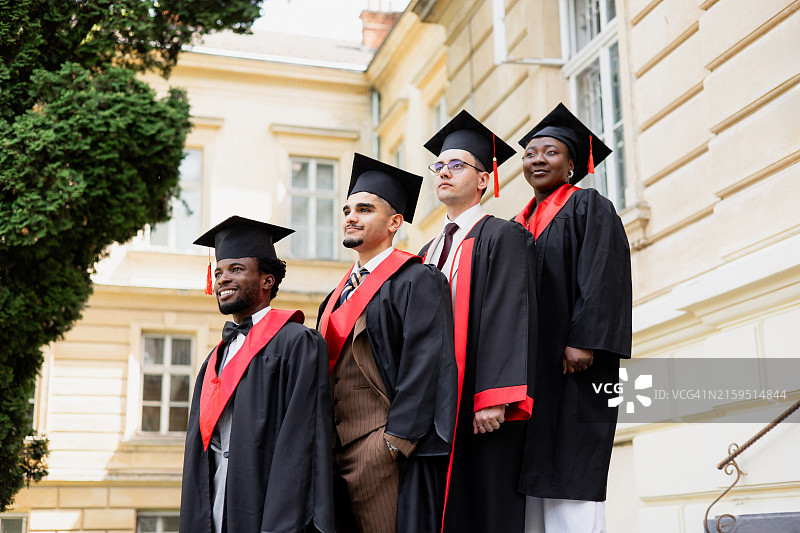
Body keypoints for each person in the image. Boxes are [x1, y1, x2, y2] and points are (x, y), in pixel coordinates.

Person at [317, 153, 458, 533]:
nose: (351, 217)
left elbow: (426, 363)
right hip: (332, 454)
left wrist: (395, 443)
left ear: (395, 222)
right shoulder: (334, 297)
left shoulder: (417, 279)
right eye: (348, 210)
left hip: (381, 450)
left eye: (365, 209)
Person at [512, 103, 632, 533]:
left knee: (571, 465)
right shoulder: (518, 224)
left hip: (574, 364)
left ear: (571, 165)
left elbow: (604, 272)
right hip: (532, 368)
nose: (537, 160)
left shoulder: (589, 206)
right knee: (533, 469)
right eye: (530, 153)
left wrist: (584, 339)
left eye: (550, 152)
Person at [420, 110, 536, 533]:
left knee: (485, 502)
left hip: (478, 393)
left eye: (457, 165)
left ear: (483, 179)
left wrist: (493, 394)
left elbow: (510, 313)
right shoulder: (428, 250)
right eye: (439, 166)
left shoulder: (503, 235)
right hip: (435, 397)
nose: (444, 173)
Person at [180, 216, 334, 533]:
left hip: (266, 505)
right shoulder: (216, 356)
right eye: (219, 272)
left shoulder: (297, 343)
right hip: (216, 498)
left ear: (267, 280)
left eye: (236, 269)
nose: (223, 279)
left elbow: (301, 442)